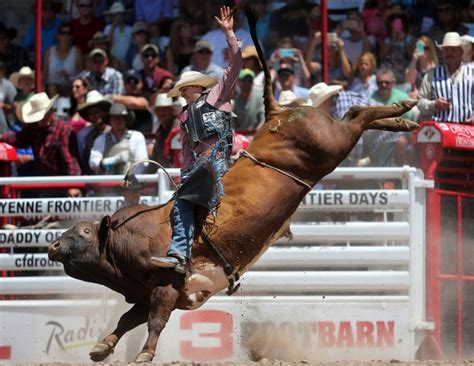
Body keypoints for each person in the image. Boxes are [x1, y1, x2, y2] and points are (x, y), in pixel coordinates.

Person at [151, 6, 241, 273]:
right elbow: (187, 152)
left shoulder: (216, 97)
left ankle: (179, 254)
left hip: (215, 163)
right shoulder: (185, 116)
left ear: (196, 88)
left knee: (182, 202)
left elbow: (235, 64)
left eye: (183, 88)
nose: (180, 93)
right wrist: (184, 173)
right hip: (201, 167)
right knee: (183, 196)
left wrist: (229, 32)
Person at [0, 92, 82, 197]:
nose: (39, 120)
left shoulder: (64, 130)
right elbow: (19, 138)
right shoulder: (35, 127)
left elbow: (70, 160)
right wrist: (2, 137)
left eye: (41, 116)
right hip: (46, 183)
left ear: (50, 112)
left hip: (63, 184)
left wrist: (73, 185)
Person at [418, 32, 473, 124]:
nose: (449, 53)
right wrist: (434, 104)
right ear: (442, 52)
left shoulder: (472, 73)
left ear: (461, 52)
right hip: (441, 129)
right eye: (446, 50)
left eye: (453, 50)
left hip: (467, 129)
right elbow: (420, 102)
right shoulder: (432, 74)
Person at [89, 102, 148, 175]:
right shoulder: (101, 139)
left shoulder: (136, 136)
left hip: (130, 182)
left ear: (126, 120)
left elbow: (143, 163)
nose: (118, 120)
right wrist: (112, 161)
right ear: (109, 120)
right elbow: (93, 162)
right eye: (114, 117)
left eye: (121, 117)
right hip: (107, 182)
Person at [43, 23, 84, 97]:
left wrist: (68, 76)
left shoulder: (76, 52)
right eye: (62, 33)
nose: (65, 36)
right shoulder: (49, 52)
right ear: (57, 35)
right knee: (50, 87)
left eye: (69, 33)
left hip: (70, 87)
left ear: (72, 36)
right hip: (50, 86)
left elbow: (82, 74)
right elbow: (45, 72)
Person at [76, 90, 111, 175]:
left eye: (96, 112)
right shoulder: (83, 135)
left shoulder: (113, 132)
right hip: (90, 181)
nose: (94, 116)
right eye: (91, 114)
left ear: (104, 112)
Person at [111, 69, 153, 134]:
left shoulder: (147, 95)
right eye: (129, 82)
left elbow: (136, 103)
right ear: (124, 84)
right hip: (125, 138)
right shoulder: (120, 99)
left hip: (146, 138)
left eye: (135, 81)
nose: (132, 84)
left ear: (141, 83)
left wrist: (111, 97)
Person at [148, 93, 181, 170]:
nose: (161, 113)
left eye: (165, 109)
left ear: (172, 111)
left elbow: (180, 158)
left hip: (178, 176)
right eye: (159, 110)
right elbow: (154, 161)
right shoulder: (159, 133)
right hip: (165, 176)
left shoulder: (180, 129)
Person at [405, 36, 438, 100]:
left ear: (430, 50)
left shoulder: (436, 68)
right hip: (416, 101)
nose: (423, 50)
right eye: (420, 47)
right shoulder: (412, 67)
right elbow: (409, 81)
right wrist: (414, 60)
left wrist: (419, 93)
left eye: (425, 48)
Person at [0, 61, 17, 133]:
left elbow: (16, 108)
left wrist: (3, 105)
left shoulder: (8, 86)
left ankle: (3, 135)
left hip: (6, 123)